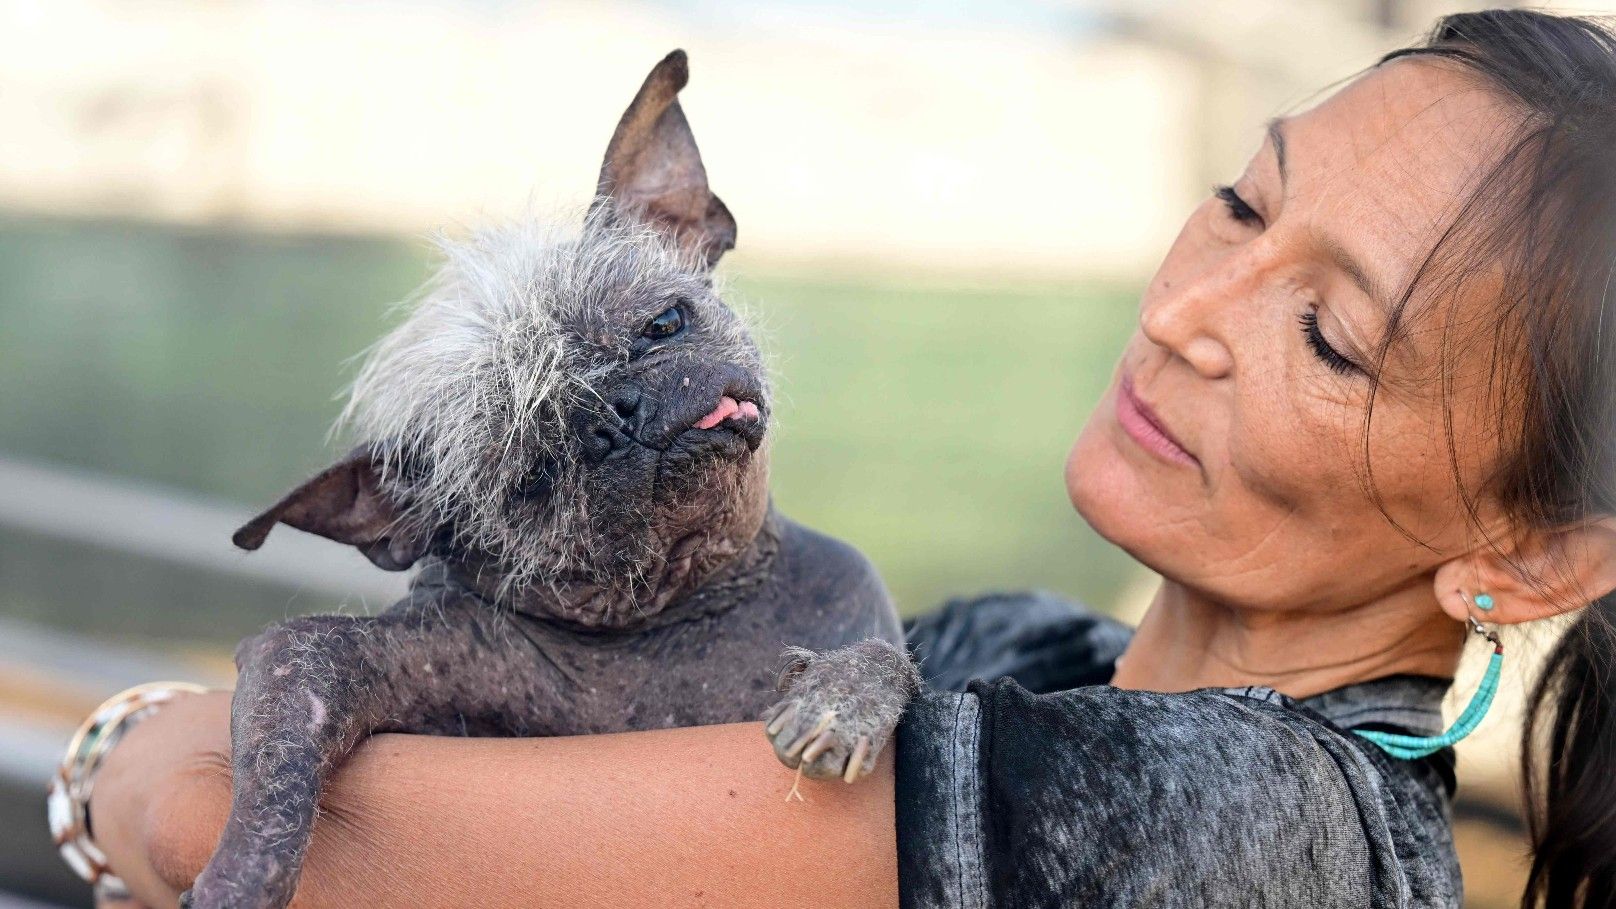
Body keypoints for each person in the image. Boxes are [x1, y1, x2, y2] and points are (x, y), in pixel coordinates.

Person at [76, 9, 1616, 908]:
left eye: (1331, 335)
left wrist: (119, 744)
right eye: (1238, 200)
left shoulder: (1259, 825)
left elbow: (201, 816)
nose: (1188, 313)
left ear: (1533, 554)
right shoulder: (1008, 646)